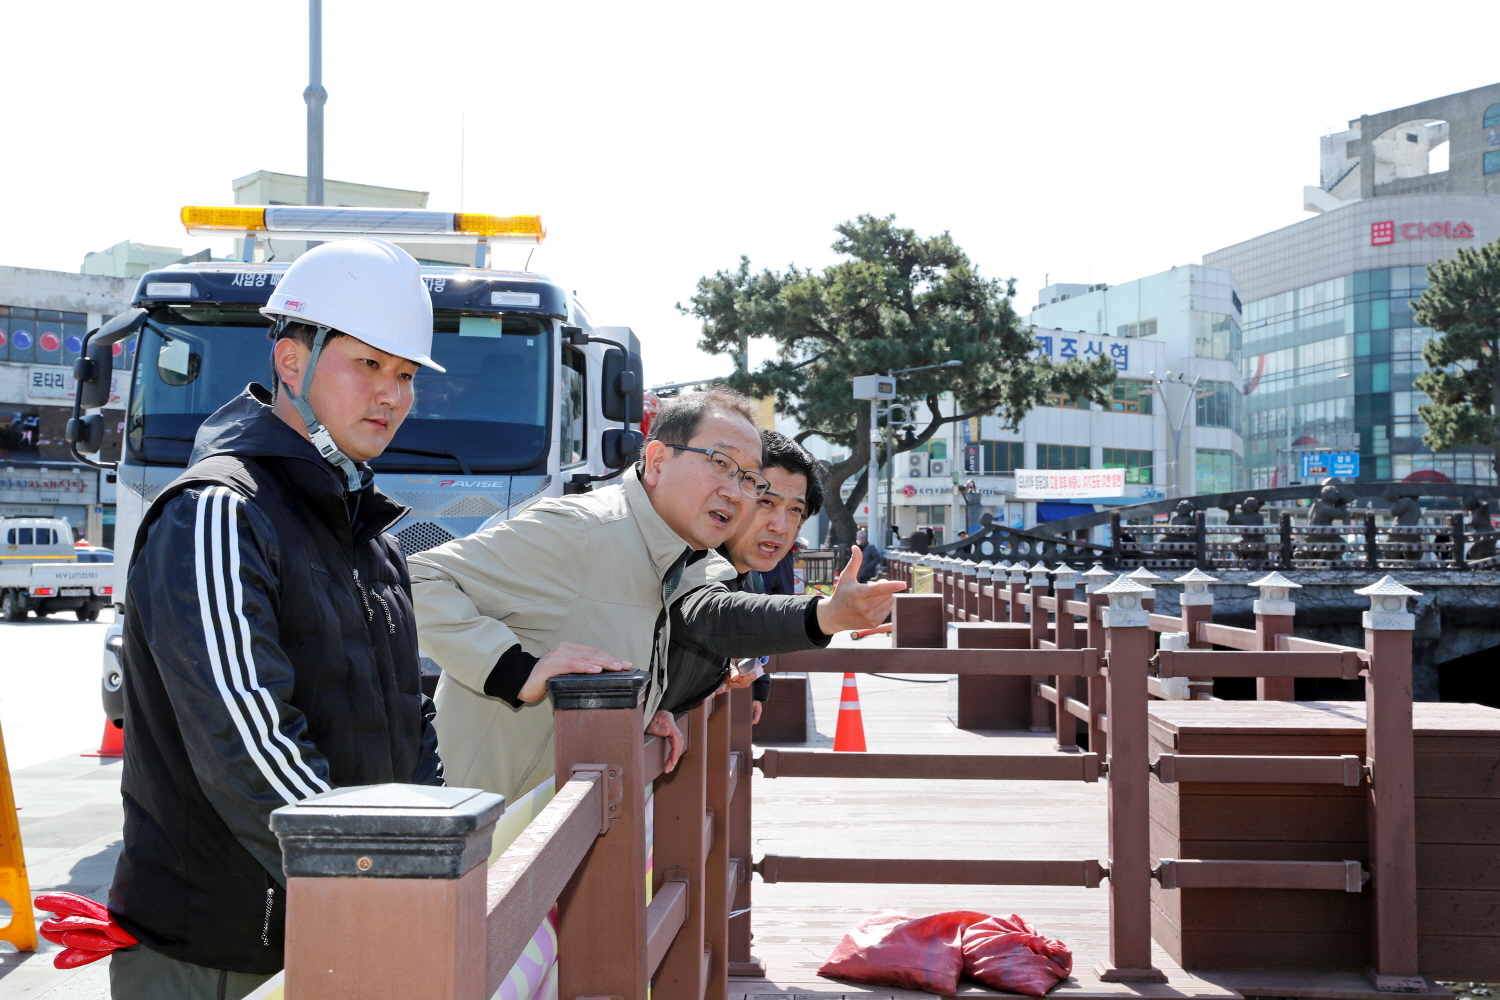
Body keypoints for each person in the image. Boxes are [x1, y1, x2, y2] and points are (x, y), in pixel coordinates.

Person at [106, 239, 445, 999]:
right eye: (367, 364)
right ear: (292, 362)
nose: (391, 395)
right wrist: (372, 879)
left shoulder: (372, 537)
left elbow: (409, 725)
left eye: (406, 374)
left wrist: (428, 860)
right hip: (221, 951)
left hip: (342, 925)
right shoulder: (220, 513)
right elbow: (248, 743)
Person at [409, 389, 767, 802]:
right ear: (657, 461)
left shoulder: (677, 558)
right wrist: (516, 670)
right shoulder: (582, 531)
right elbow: (415, 579)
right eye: (721, 464)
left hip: (554, 828)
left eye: (750, 479)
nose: (736, 492)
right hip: (485, 830)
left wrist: (640, 715)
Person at [660, 431, 903, 723]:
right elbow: (713, 618)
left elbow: (745, 637)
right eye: (766, 502)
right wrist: (827, 615)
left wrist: (741, 680)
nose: (780, 526)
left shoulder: (752, 578)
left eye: (795, 510)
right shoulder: (684, 559)